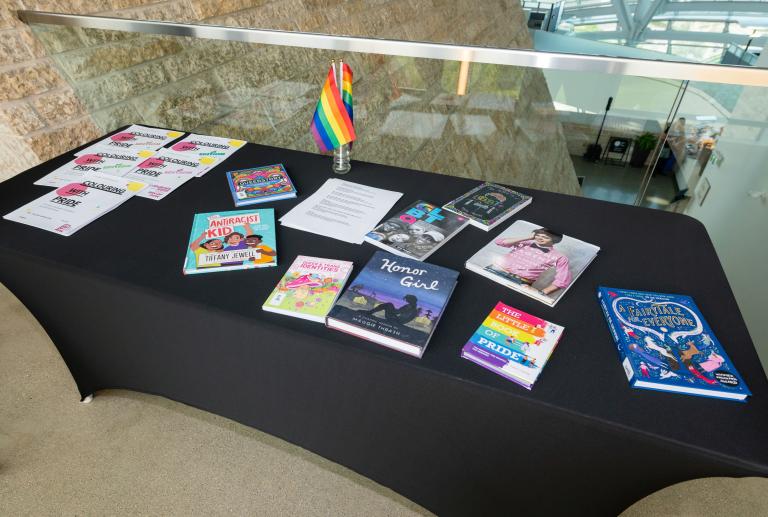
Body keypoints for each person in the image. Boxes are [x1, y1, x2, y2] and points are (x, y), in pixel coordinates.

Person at [489, 228, 572, 297]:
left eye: (545, 237)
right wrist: (529, 237)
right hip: (494, 270)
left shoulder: (560, 257)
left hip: (520, 282)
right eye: (538, 235)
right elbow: (499, 242)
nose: (539, 238)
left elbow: (563, 280)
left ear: (554, 241)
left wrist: (542, 293)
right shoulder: (525, 242)